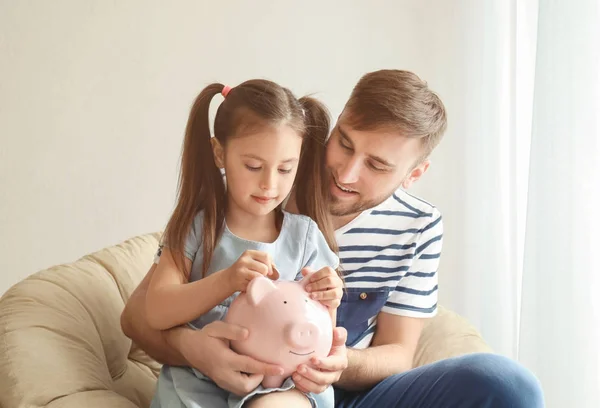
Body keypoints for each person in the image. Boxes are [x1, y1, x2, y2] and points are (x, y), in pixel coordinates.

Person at [122, 70, 545, 407]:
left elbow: (399, 353)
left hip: (332, 391)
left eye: (377, 165)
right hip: (241, 380)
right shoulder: (268, 181)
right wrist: (193, 348)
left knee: (508, 385)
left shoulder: (417, 225)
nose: (345, 174)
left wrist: (335, 363)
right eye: (344, 143)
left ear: (413, 174)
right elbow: (139, 316)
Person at [145, 79, 344, 408]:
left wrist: (329, 300)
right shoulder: (197, 227)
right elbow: (155, 310)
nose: (269, 184)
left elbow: (319, 331)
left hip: (281, 385)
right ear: (219, 153)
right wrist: (226, 281)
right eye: (253, 166)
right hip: (199, 385)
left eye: (285, 169)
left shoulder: (305, 236)